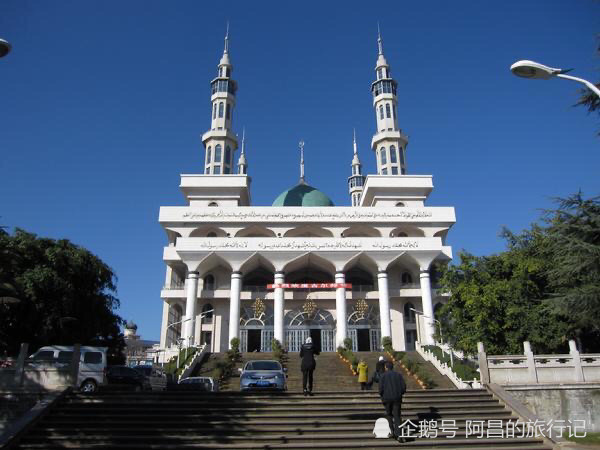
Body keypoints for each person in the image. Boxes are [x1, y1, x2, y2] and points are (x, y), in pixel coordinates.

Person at [378, 361, 407, 442]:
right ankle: (399, 434)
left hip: (387, 399)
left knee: (389, 415)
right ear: (392, 367)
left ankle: (392, 431)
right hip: (397, 398)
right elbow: (403, 387)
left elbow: (380, 389)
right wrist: (399, 393)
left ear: (386, 367)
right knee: (397, 416)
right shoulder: (399, 375)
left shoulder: (383, 376)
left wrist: (382, 395)